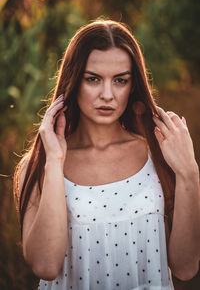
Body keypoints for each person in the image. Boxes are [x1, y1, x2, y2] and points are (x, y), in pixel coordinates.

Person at [13, 19, 200, 290]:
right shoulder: (38, 165)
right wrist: (54, 162)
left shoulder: (159, 156)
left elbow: (186, 268)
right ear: (74, 80)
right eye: (93, 79)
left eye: (120, 80)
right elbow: (45, 266)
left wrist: (190, 173)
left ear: (132, 85)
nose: (108, 94)